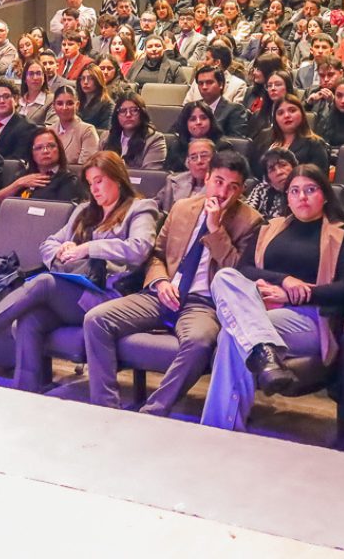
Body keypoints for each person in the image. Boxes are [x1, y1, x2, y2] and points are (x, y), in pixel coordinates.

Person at [0, 152, 159, 392]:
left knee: (45, 282)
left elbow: (139, 248)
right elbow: (47, 244)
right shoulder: (85, 211)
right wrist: (61, 251)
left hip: (110, 297)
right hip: (77, 292)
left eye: (99, 181)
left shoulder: (140, 208)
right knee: (30, 319)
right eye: (90, 183)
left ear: (117, 178)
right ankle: (26, 392)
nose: (94, 189)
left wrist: (88, 248)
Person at [85, 150, 262, 416]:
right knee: (96, 319)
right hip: (162, 292)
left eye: (232, 186)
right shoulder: (182, 208)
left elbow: (236, 273)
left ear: (241, 190)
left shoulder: (250, 222)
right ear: (207, 177)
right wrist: (160, 281)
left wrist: (216, 230)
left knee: (200, 341)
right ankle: (106, 408)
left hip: (204, 303)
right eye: (218, 181)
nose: (222, 192)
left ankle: (153, 411)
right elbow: (156, 254)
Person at [200, 164, 344, 430]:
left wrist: (297, 295)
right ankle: (263, 350)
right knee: (225, 278)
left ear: (324, 194)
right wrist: (284, 280)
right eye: (295, 191)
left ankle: (219, 428)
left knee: (231, 335)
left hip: (311, 318)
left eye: (310, 190)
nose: (302, 197)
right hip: (261, 311)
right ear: (286, 197)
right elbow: (244, 269)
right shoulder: (270, 228)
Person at [0, 128, 81, 205]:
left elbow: (61, 213)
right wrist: (17, 185)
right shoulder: (23, 176)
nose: (45, 151)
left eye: (51, 146)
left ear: (59, 149)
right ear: (31, 153)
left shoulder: (68, 180)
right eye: (39, 148)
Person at [253, 94, 329, 176]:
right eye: (280, 113)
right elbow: (253, 171)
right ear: (275, 119)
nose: (286, 116)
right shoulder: (264, 138)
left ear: (302, 114)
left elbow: (320, 179)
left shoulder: (315, 144)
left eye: (292, 111)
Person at [103, 94, 167, 170]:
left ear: (142, 113)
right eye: (123, 111)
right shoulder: (106, 137)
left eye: (134, 110)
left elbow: (151, 176)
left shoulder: (155, 139)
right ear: (117, 115)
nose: (128, 115)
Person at [0, 80, 36, 161]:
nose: (1, 101)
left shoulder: (27, 127)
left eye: (6, 96)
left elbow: (15, 163)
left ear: (16, 100)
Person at [165, 101, 226, 172]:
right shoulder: (177, 147)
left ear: (211, 121)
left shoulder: (223, 146)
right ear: (185, 123)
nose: (198, 122)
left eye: (203, 118)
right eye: (193, 119)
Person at [159, 138, 215, 212]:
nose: (199, 161)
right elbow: (154, 205)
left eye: (204, 156)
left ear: (215, 158)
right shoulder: (174, 180)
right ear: (188, 163)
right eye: (193, 157)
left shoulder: (221, 186)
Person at [51, 85, 99, 167]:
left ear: (77, 105)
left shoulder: (87, 130)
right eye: (59, 103)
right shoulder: (49, 131)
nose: (64, 108)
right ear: (53, 106)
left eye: (69, 103)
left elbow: (85, 167)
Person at [245, 147, 296, 220]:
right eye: (272, 169)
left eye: (283, 165)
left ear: (294, 167)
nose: (279, 172)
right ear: (268, 180)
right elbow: (246, 213)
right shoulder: (262, 189)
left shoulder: (302, 192)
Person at [76, 64, 114, 134]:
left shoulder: (107, 104)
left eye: (90, 78)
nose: (86, 82)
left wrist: (83, 131)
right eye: (83, 78)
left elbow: (106, 132)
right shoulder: (76, 101)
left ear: (98, 80)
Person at [17, 60, 56, 127]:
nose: (35, 78)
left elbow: (51, 127)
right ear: (25, 79)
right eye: (31, 74)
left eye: (38, 73)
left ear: (44, 77)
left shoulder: (52, 100)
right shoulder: (18, 100)